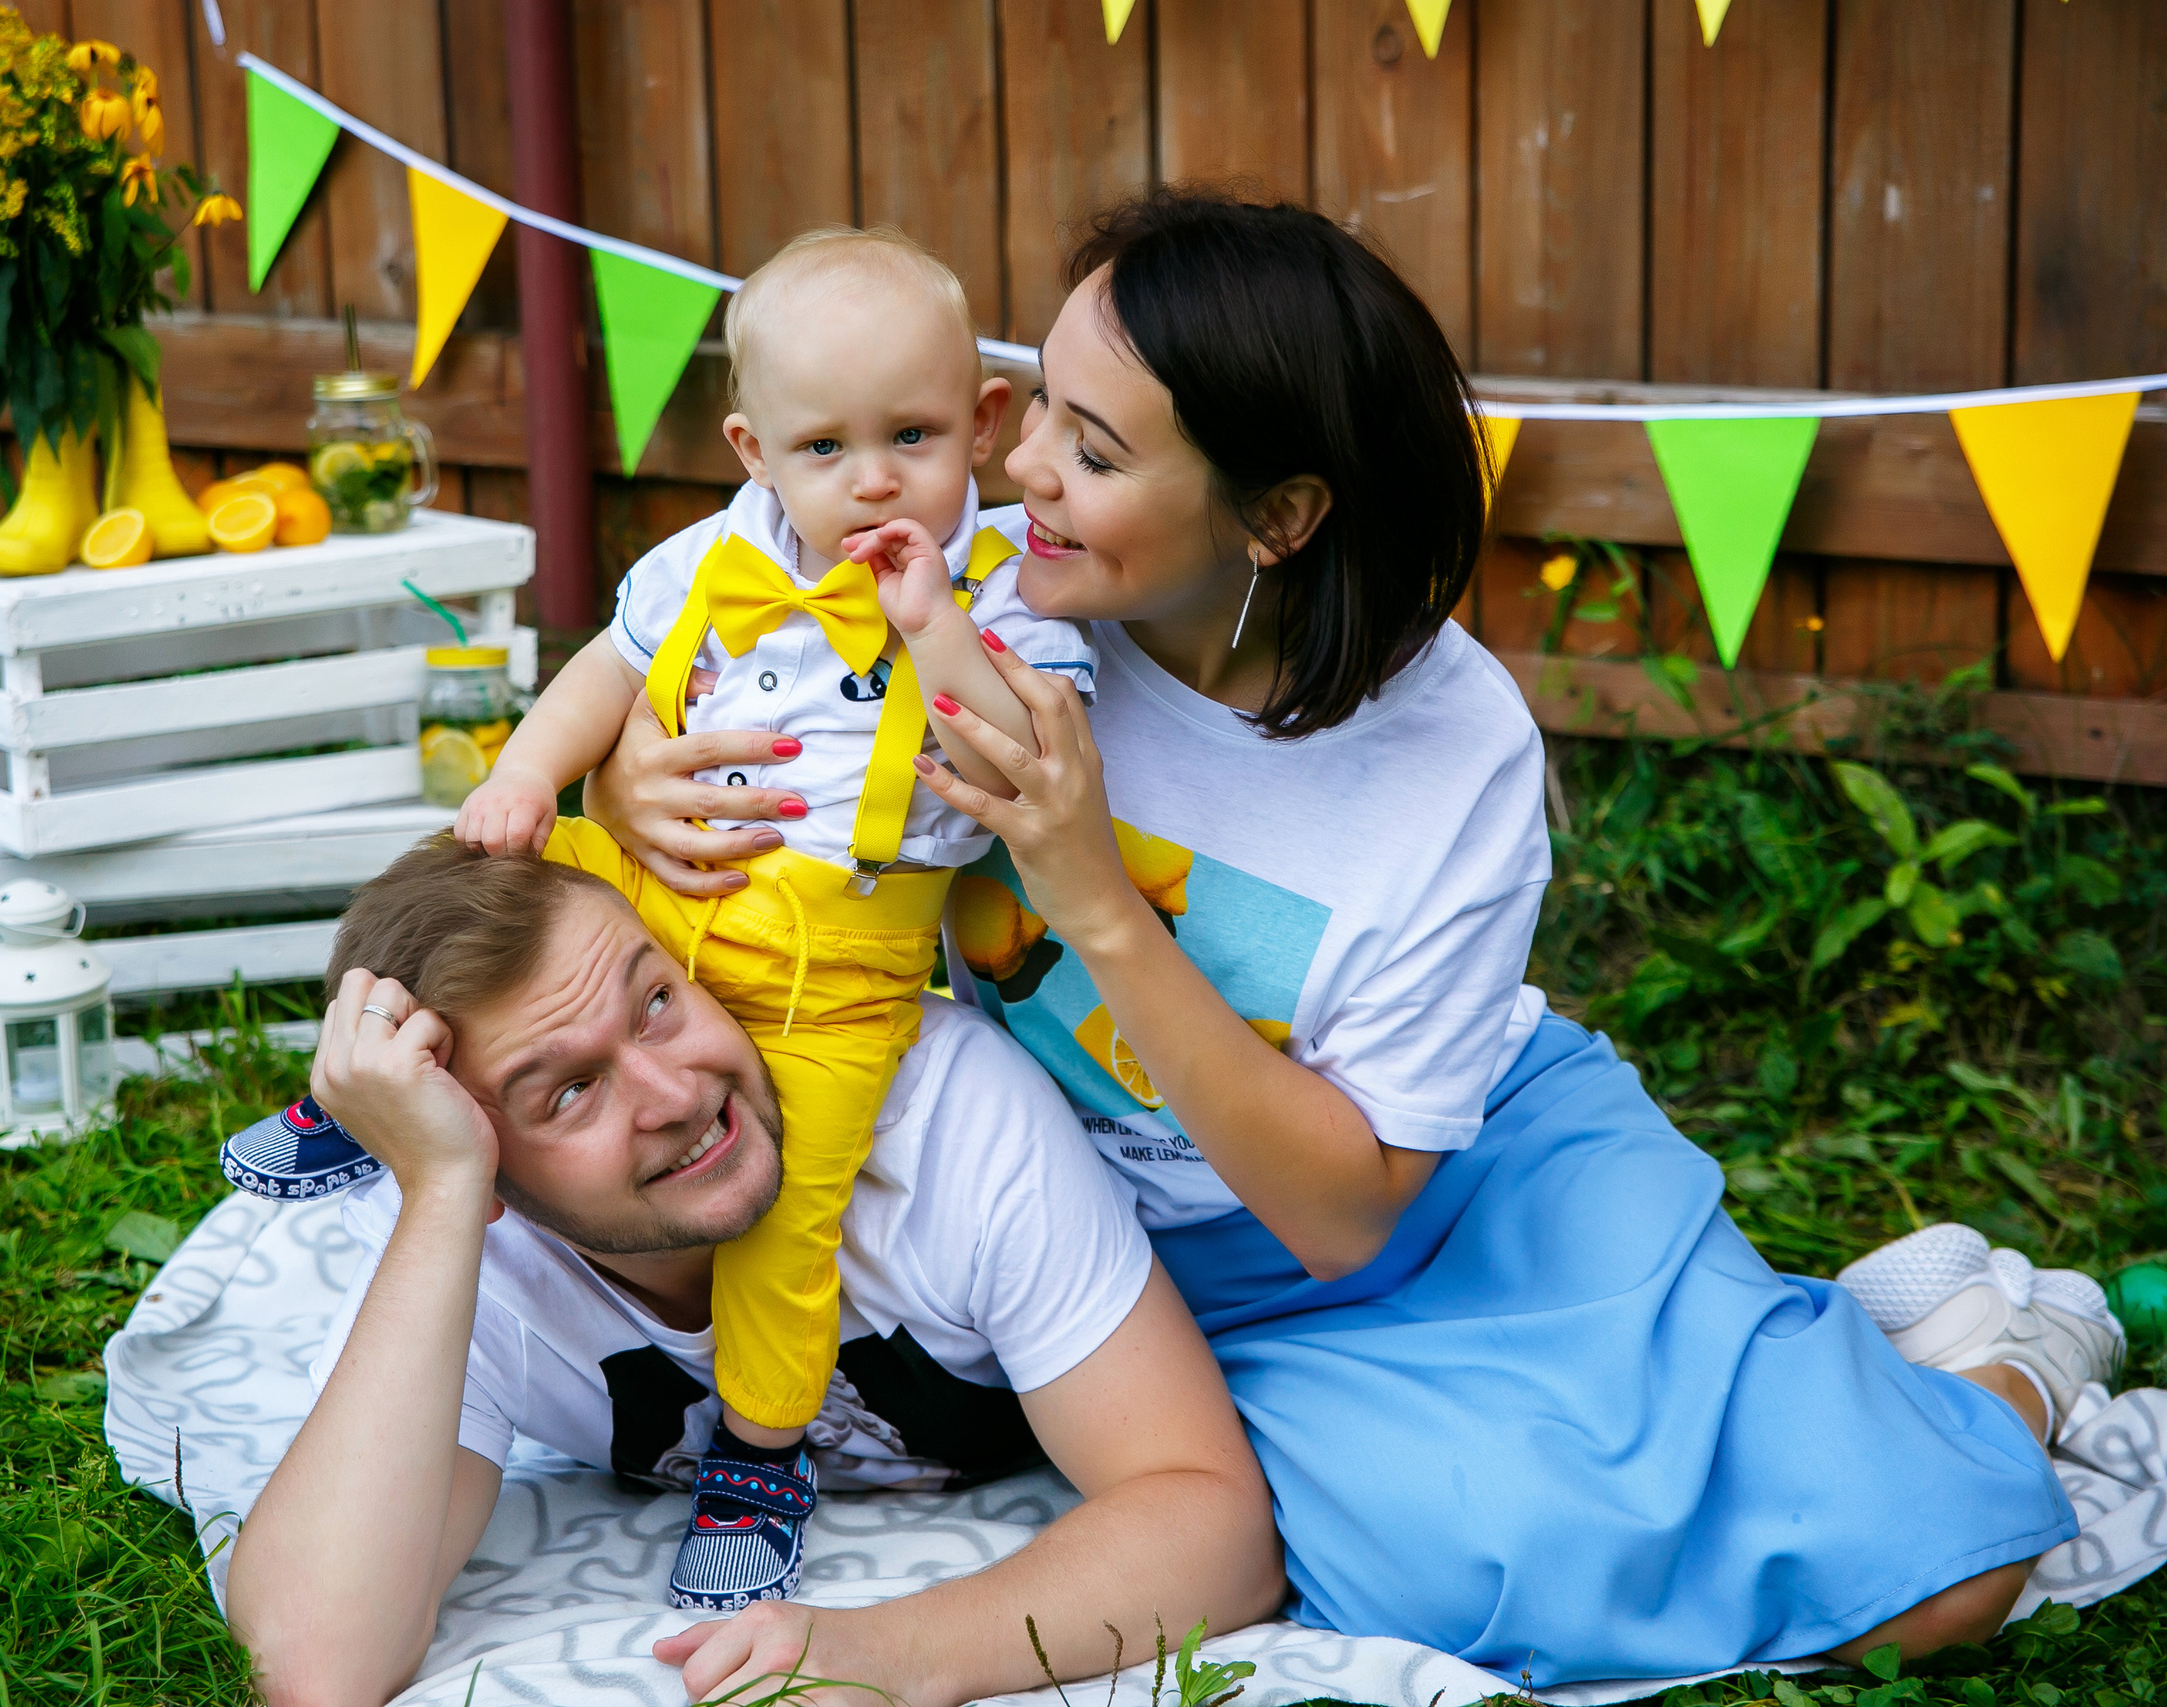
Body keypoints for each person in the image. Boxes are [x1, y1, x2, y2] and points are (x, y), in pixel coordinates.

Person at [579, 186, 2125, 1689]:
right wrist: (624, 768)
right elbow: (693, 652)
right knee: (1442, 1565)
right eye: (1035, 407)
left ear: (1280, 514)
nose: (1018, 465)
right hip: (1176, 1265)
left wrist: (1092, 894)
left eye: (1094, 449)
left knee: (1938, 1583)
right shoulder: (954, 585)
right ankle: (1818, 1355)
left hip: (1447, 1179)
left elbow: (1350, 1216)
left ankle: (2015, 1356)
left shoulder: (1452, 747)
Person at [219, 838, 1283, 1707]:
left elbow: (1213, 1527)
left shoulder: (940, 1122)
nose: (674, 1094)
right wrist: (447, 1200)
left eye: (654, 1004)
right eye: (569, 1091)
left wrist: (902, 1653)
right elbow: (316, 1665)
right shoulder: (450, 1232)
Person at [452, 226, 1093, 1610]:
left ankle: (760, 1450)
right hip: (672, 889)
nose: (872, 479)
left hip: (840, 964)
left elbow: (1011, 764)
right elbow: (603, 675)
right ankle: (381, 1066)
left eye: (913, 434)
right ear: (752, 450)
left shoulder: (1010, 591)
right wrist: (526, 770)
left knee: (789, 1212)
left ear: (983, 422)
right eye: (823, 450)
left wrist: (930, 619)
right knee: (488, 896)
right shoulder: (711, 554)